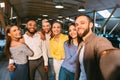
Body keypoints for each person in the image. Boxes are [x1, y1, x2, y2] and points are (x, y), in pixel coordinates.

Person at [74, 14, 115, 80]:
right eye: (76, 24)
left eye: (82, 23)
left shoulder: (99, 40)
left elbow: (107, 54)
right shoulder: (81, 44)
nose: (79, 26)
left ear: (91, 25)